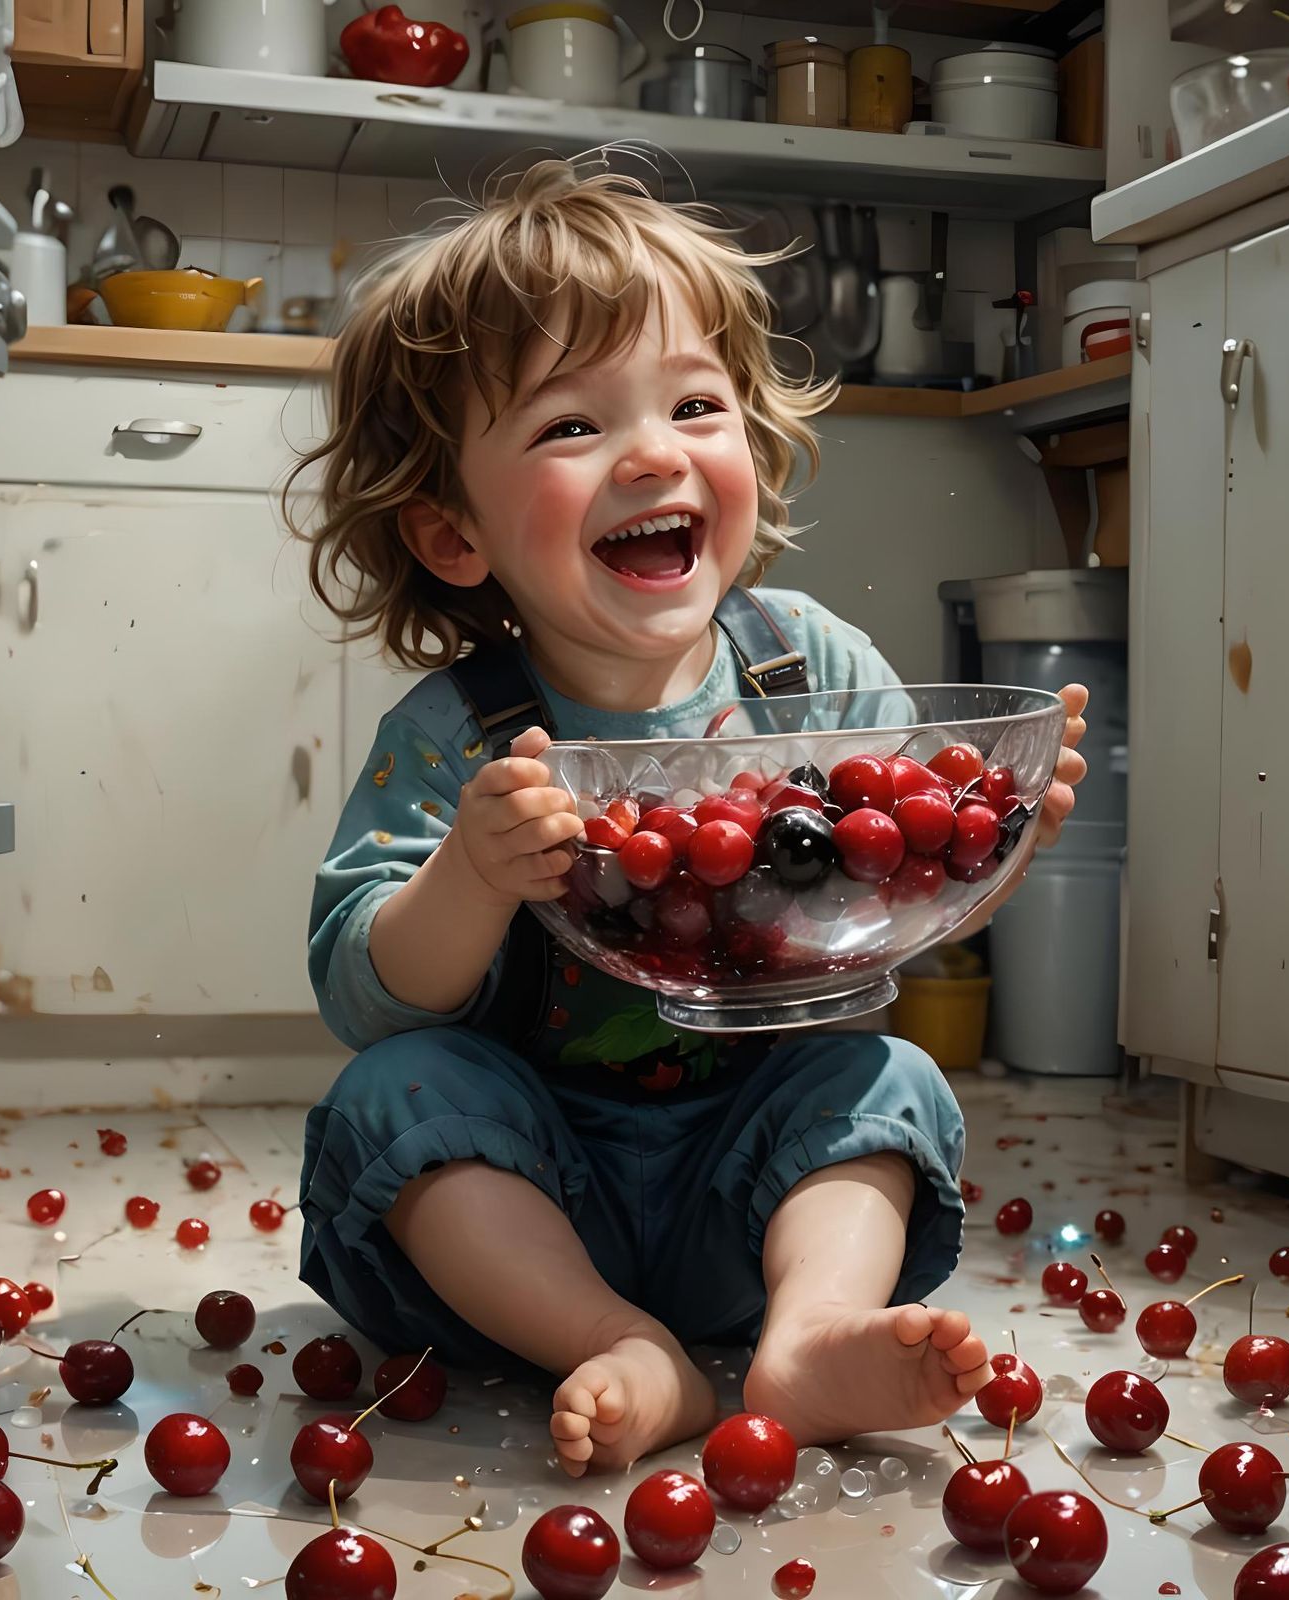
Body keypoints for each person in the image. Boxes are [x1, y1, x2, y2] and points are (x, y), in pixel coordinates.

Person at [295, 158, 1088, 1478]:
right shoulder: (455, 736)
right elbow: (365, 995)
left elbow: (894, 919)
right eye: (569, 427)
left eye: (696, 405)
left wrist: (990, 840)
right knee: (394, 1099)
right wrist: (473, 876)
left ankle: (812, 1334)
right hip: (533, 1206)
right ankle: (617, 1345)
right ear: (452, 535)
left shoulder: (811, 671)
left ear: (754, 451)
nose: (655, 452)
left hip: (754, 1183)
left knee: (887, 1079)